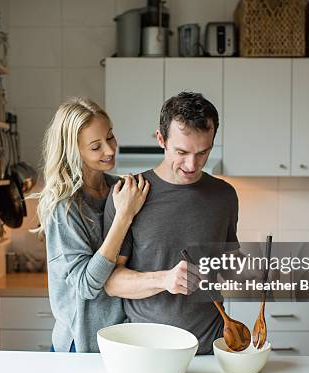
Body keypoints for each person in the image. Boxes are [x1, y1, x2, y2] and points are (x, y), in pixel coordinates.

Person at [103, 91, 240, 354]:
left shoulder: (225, 196)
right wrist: (165, 279)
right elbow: (112, 283)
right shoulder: (129, 194)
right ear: (160, 139)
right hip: (147, 350)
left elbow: (227, 267)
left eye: (203, 153)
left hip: (210, 350)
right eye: (181, 152)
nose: (192, 164)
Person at [35, 97, 150, 352]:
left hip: (122, 335)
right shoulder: (63, 207)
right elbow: (87, 285)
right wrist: (123, 216)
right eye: (96, 146)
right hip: (82, 344)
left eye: (110, 137)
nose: (110, 150)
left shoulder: (118, 189)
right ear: (74, 151)